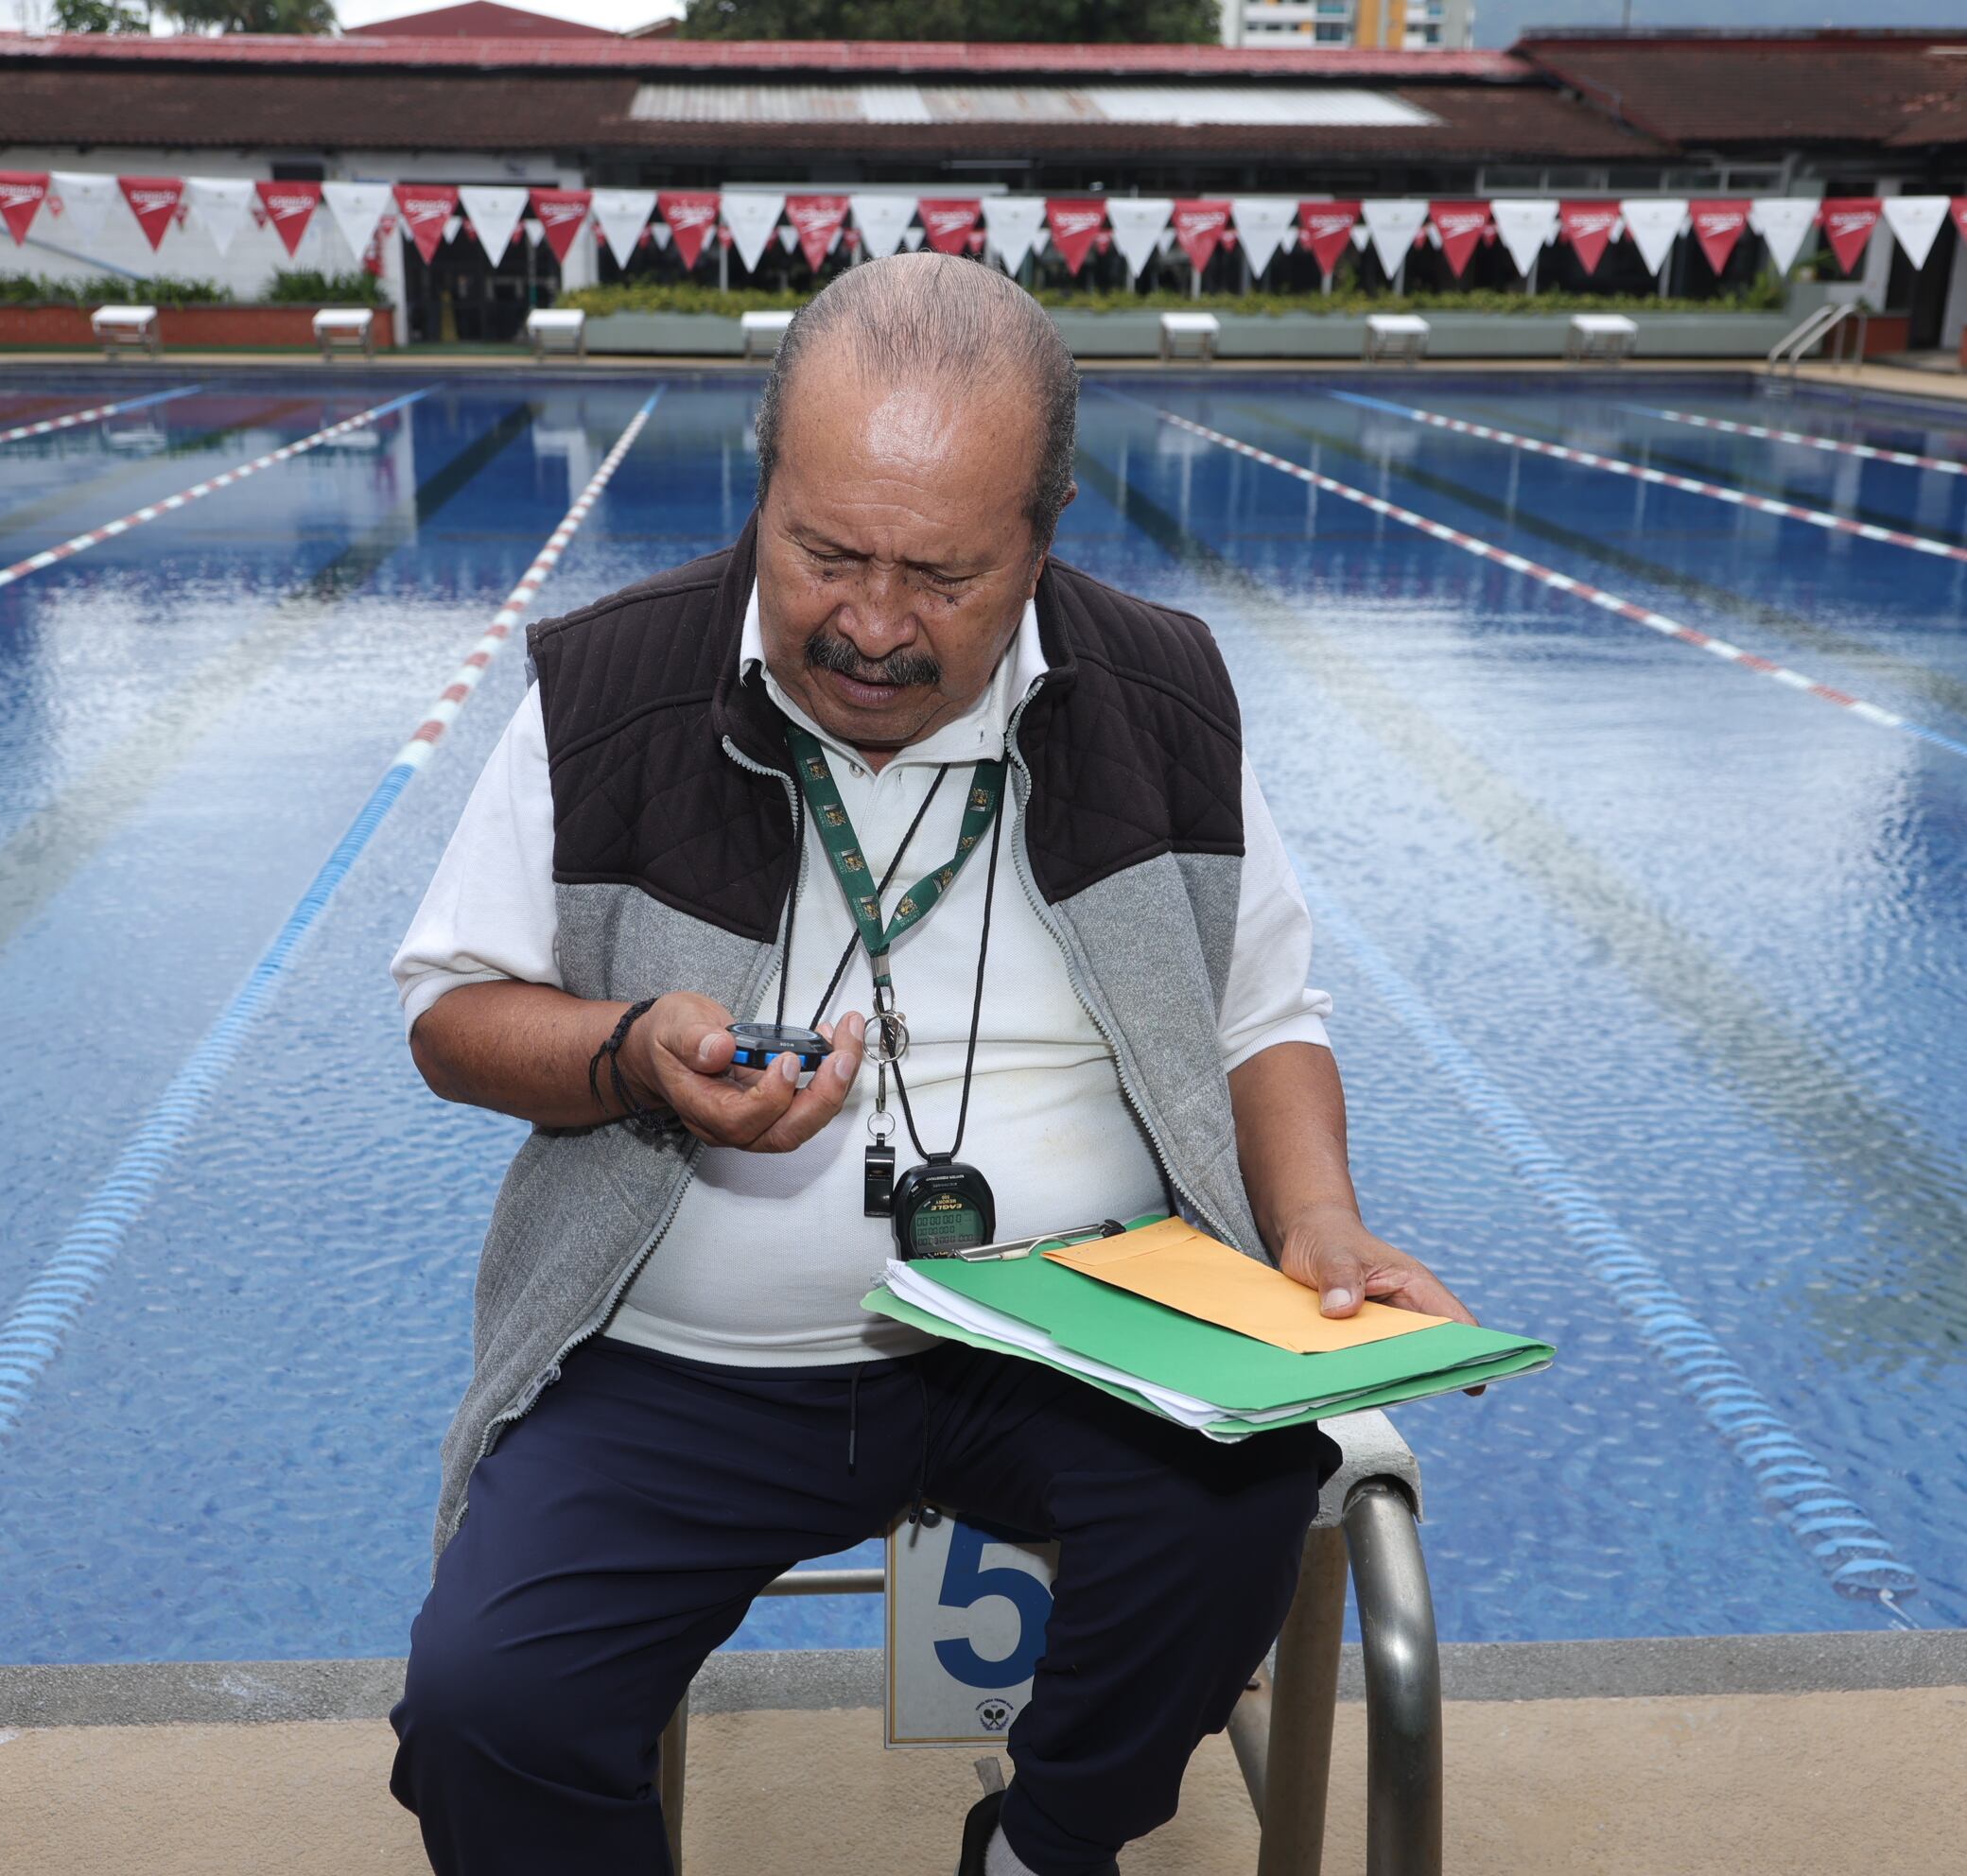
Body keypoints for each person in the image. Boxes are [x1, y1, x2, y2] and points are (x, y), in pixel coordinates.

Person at [387, 252, 1472, 1876]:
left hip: (1076, 1331)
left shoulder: (1160, 697)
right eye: (825, 553)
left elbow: (1263, 1015)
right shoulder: (606, 691)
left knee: (1241, 1492)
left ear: (1043, 539)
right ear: (765, 492)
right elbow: (453, 1017)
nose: (873, 625)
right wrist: (628, 1054)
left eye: (945, 578)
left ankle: (1044, 1848)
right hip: (683, 1363)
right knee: (488, 1708)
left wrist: (1314, 1219)